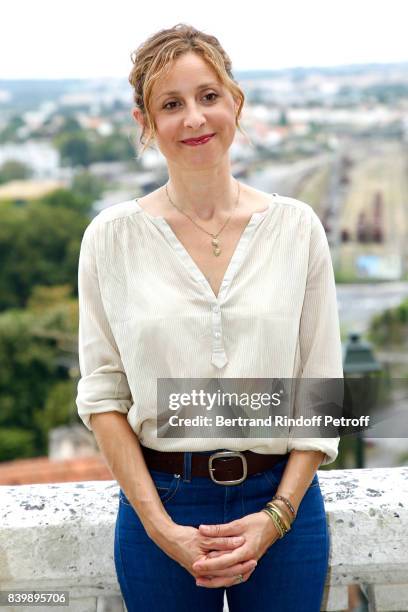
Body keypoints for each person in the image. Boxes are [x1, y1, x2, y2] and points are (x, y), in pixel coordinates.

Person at [75, 23, 343, 612]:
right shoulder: (111, 238)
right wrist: (161, 526)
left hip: (283, 503)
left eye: (208, 96)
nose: (194, 118)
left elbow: (321, 392)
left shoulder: (296, 228)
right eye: (171, 104)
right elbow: (103, 395)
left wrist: (276, 517)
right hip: (161, 504)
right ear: (144, 123)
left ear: (236, 103)